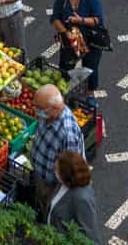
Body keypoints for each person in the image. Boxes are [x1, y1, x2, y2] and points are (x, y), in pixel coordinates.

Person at [29, 84, 85, 217]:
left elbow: (69, 171)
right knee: (41, 200)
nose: (36, 111)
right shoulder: (48, 115)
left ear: (53, 108)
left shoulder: (68, 132)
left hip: (52, 185)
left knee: (50, 210)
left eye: (39, 108)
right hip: (40, 174)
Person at [50, 0, 105, 97]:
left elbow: (98, 20)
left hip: (90, 41)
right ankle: (63, 92)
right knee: (65, 66)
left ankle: (90, 93)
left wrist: (81, 20)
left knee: (90, 68)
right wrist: (65, 32)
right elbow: (55, 17)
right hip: (69, 40)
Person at [48, 151, 102, 245]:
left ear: (67, 174)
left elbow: (91, 233)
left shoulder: (82, 198)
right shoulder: (65, 183)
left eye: (57, 170)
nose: (55, 172)